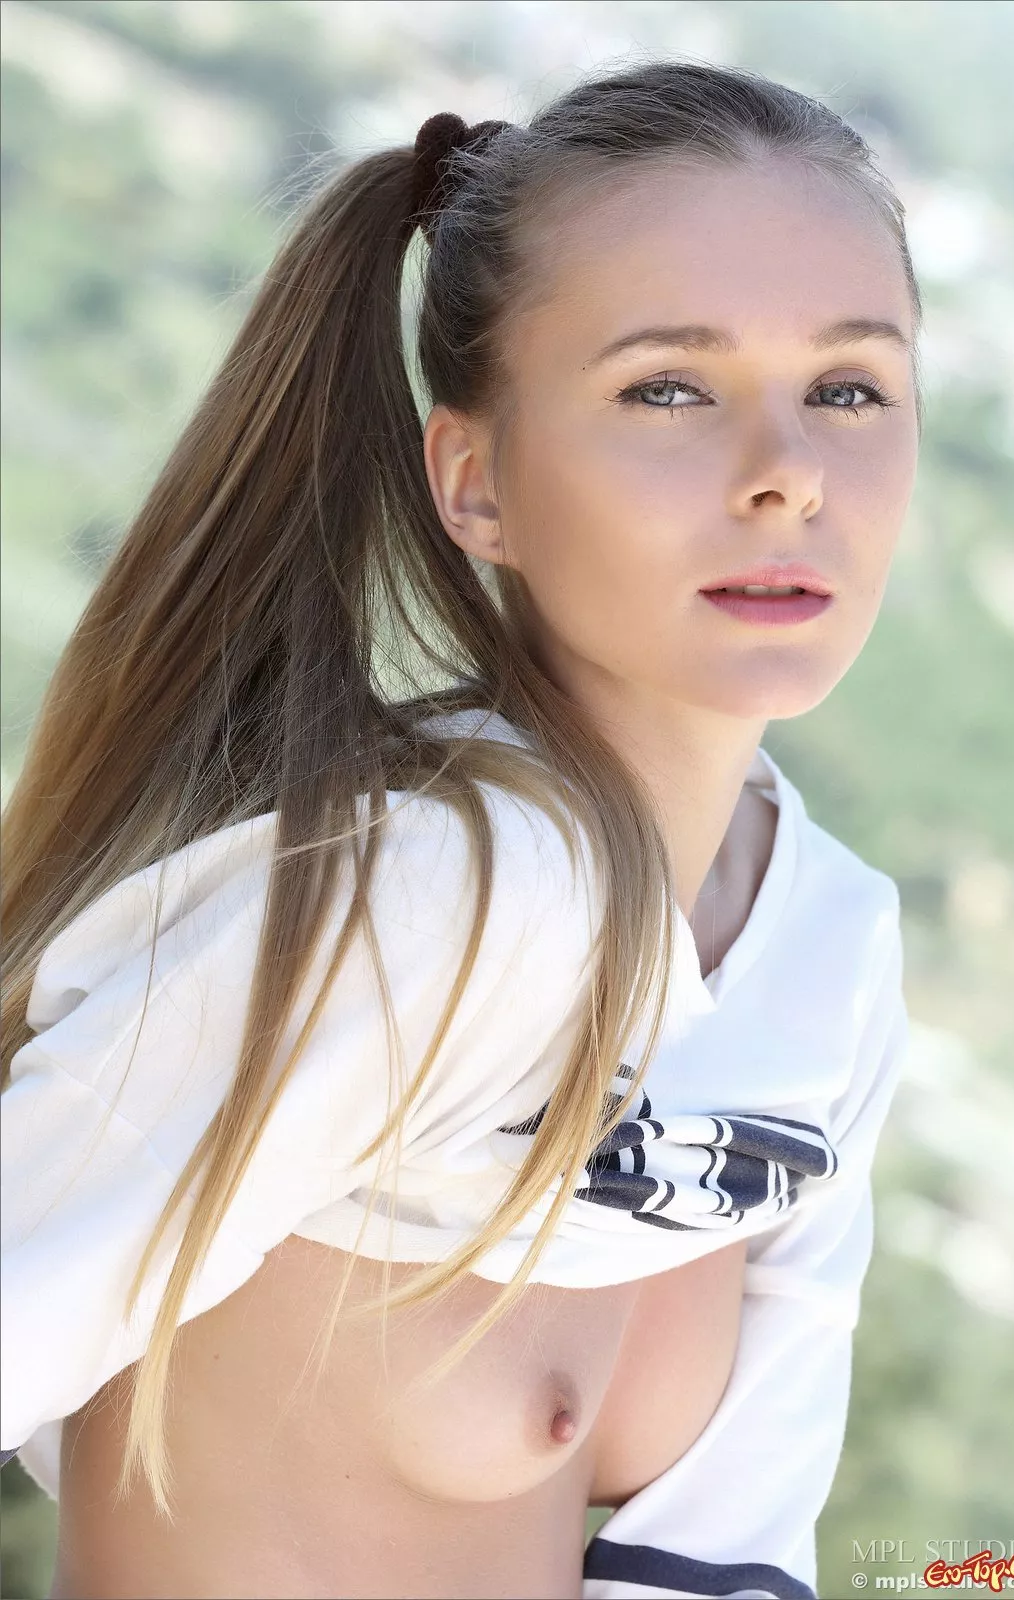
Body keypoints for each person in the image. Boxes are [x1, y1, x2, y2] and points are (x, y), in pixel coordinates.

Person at [0, 56, 921, 1600]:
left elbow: (731, 1548)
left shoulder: (826, 944)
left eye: (847, 388)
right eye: (667, 388)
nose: (787, 477)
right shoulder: (424, 893)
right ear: (475, 483)